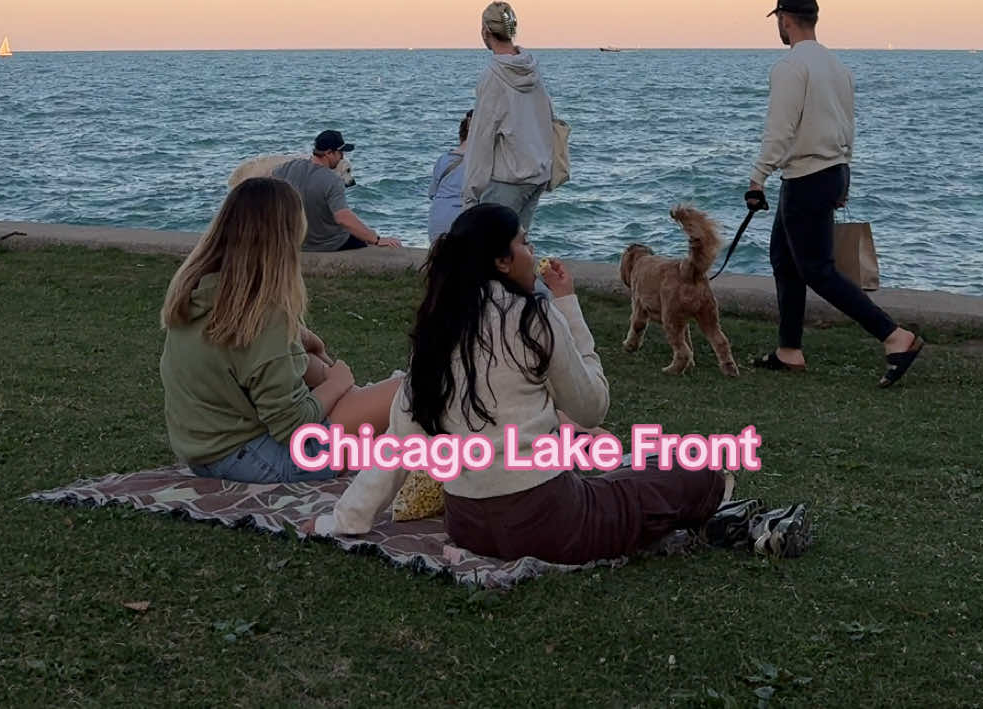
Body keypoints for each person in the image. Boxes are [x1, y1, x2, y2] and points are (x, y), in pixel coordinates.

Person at [332, 204, 812, 561]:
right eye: (524, 243)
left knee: (614, 470)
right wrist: (567, 307)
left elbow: (400, 443)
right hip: (547, 522)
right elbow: (591, 406)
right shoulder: (531, 316)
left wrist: (348, 518)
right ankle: (716, 503)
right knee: (692, 471)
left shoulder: (437, 326)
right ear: (501, 261)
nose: (531, 251)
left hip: (468, 524)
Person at [159, 176, 403, 481]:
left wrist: (303, 345)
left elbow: (251, 364)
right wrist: (339, 382)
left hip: (207, 453)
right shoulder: (263, 316)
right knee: (408, 390)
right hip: (259, 458)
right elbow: (294, 426)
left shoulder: (200, 292)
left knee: (320, 370)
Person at [746, 0, 924, 388]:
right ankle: (789, 350)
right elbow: (848, 125)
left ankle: (896, 337)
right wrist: (844, 173)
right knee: (784, 260)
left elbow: (780, 130)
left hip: (805, 175)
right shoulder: (838, 68)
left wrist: (757, 177)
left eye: (779, 21)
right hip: (830, 170)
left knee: (818, 271)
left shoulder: (790, 68)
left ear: (784, 20)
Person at [460, 1, 554, 236]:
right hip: (537, 173)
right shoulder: (532, 69)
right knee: (517, 250)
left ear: (485, 32)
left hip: (508, 179)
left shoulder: (493, 77)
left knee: (489, 250)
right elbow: (548, 119)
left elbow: (482, 139)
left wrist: (470, 194)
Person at [273, 128, 402, 252]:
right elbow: (343, 218)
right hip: (328, 244)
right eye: (340, 153)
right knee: (363, 239)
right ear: (329, 153)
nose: (342, 157)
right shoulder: (332, 180)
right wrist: (376, 239)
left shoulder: (284, 169)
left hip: (295, 241)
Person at [427, 110, 471, 243]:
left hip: (437, 222)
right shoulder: (482, 163)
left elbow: (432, 193)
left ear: (460, 136)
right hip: (463, 223)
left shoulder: (443, 159)